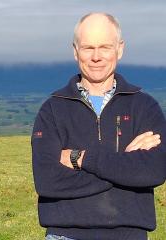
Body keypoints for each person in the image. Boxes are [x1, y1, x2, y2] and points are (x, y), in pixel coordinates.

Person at [31, 12, 166, 240]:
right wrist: (124, 163)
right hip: (64, 236)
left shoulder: (145, 107)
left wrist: (82, 159)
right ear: (75, 51)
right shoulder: (52, 110)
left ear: (119, 49)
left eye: (104, 47)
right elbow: (47, 181)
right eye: (87, 48)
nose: (96, 57)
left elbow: (155, 171)